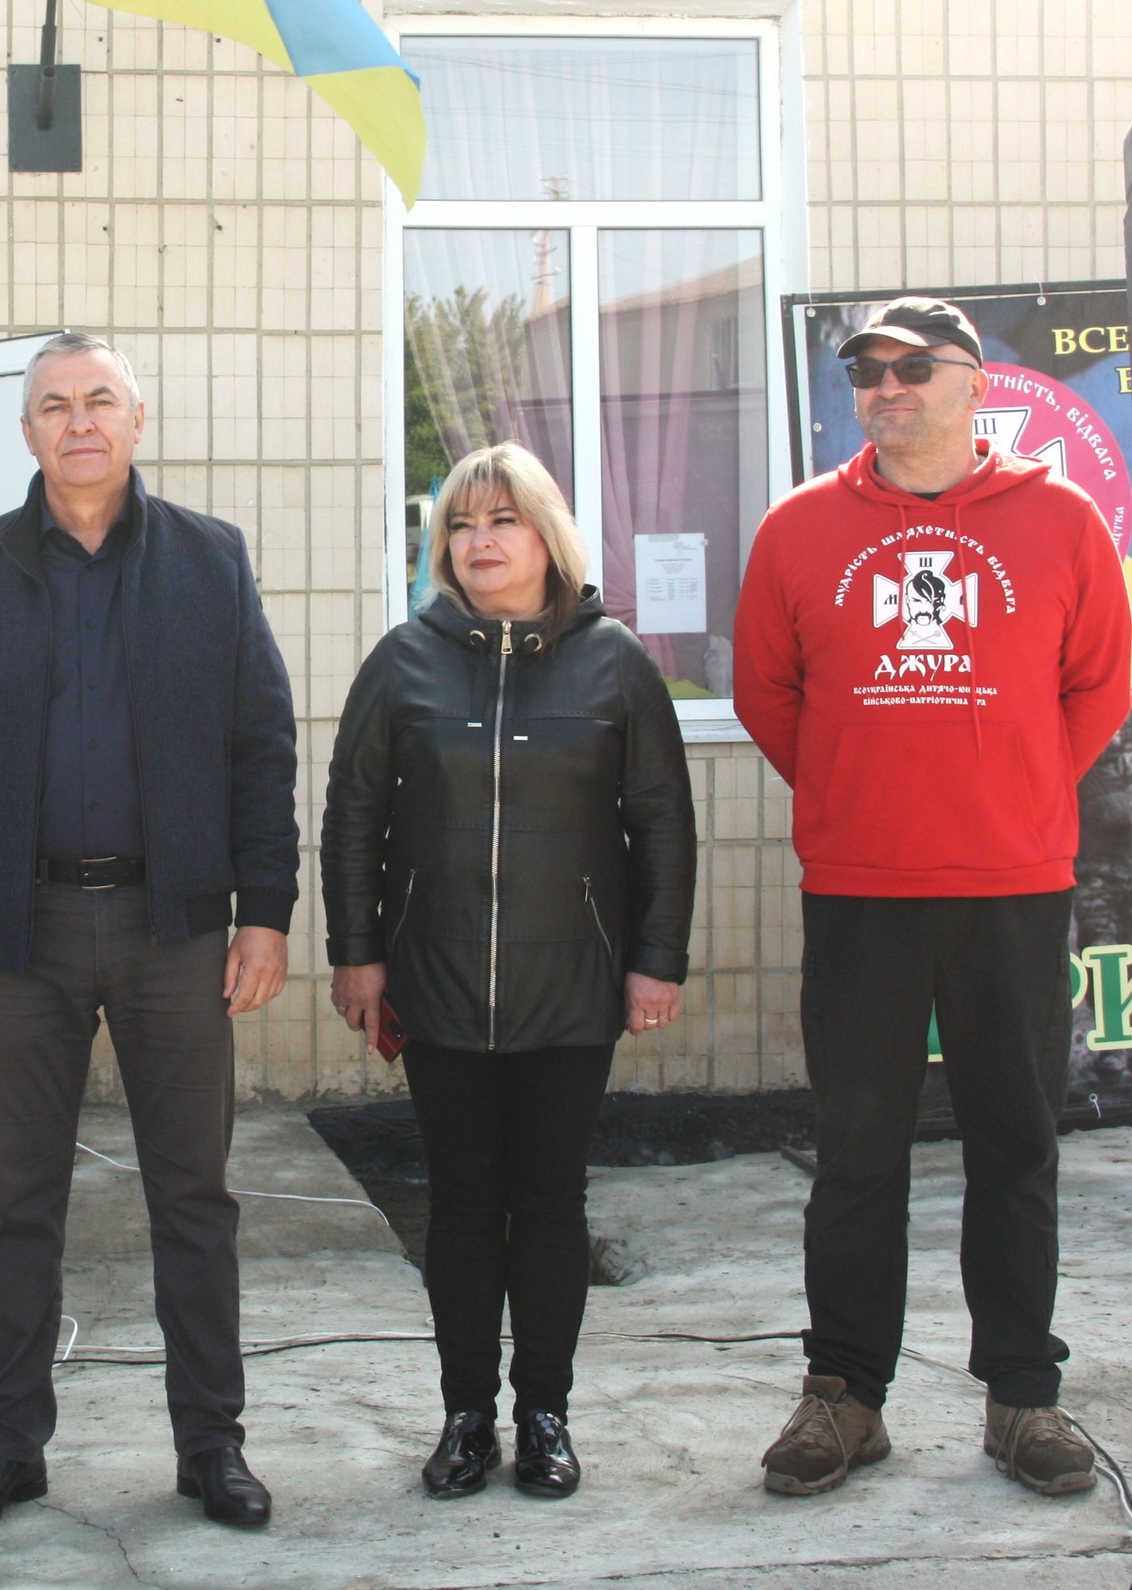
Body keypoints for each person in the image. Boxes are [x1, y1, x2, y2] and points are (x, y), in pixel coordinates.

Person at [0, 331, 299, 1533]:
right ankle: (8, 1445)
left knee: (194, 1199)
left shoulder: (209, 560)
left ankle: (210, 1447)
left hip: (176, 930)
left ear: (135, 420)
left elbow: (260, 744)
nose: (78, 421)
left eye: (99, 399)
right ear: (26, 430)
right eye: (55, 404)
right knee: (18, 1203)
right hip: (20, 934)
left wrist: (264, 913)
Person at [734, 297, 1132, 1499]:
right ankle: (844, 1394)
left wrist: (1012, 788)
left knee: (1013, 1145)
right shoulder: (799, 528)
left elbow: (1098, 684)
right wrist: (857, 789)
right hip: (861, 889)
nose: (885, 385)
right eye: (865, 369)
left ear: (972, 383)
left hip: (1011, 887)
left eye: (911, 366)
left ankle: (1020, 1395)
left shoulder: (1058, 521)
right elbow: (764, 691)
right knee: (856, 1152)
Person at [321, 442, 695, 1502]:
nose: (478, 542)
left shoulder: (614, 662)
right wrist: (357, 952)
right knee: (460, 1205)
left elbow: (662, 823)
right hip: (436, 983)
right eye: (460, 524)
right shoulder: (403, 660)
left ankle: (543, 1415)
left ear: (545, 534)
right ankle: (464, 1416)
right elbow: (352, 817)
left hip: (571, 986)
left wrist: (654, 960)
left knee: (549, 1204)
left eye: (501, 521)